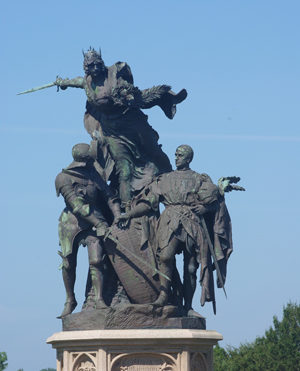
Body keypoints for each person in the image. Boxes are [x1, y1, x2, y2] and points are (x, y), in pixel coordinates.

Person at [55, 48, 187, 209]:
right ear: (86, 67)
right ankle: (127, 210)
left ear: (101, 64)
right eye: (91, 65)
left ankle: (171, 185)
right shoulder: (86, 82)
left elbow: (136, 95)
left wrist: (130, 98)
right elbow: (75, 82)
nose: (95, 68)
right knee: (123, 170)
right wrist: (63, 83)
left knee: (154, 153)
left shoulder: (114, 78)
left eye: (97, 64)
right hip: (112, 130)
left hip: (132, 122)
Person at [117, 145, 235, 315]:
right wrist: (128, 215)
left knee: (191, 267)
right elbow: (148, 202)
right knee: (165, 257)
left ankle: (188, 306)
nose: (176, 158)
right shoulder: (164, 179)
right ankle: (164, 295)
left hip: (192, 223)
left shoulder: (200, 179)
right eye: (176, 155)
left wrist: (205, 208)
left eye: (180, 155)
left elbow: (216, 204)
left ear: (189, 158)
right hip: (169, 220)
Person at [55, 142, 121, 318]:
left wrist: (117, 214)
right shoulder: (63, 178)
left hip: (93, 222)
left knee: (96, 260)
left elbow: (109, 195)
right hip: (71, 224)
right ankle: (70, 300)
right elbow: (76, 205)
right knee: (68, 263)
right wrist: (98, 223)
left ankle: (99, 299)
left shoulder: (93, 175)